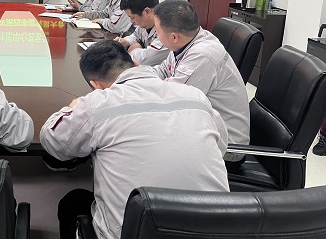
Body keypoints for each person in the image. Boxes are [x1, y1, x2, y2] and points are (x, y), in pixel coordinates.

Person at [40, 41, 229, 239]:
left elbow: (54, 142)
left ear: (96, 85)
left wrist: (73, 108)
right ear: (136, 64)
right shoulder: (195, 95)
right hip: (218, 230)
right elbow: (221, 146)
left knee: (72, 202)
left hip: (138, 232)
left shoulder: (98, 104)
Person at [151, 0, 250, 163]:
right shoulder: (187, 40)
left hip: (226, 147)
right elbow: (162, 71)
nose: (156, 34)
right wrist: (133, 76)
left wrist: (165, 84)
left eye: (157, 30)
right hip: (202, 127)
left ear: (174, 37)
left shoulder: (202, 55)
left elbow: (170, 102)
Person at [114, 0, 168, 66]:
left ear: (147, 11)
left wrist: (134, 49)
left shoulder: (167, 29)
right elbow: (136, 36)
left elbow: (145, 60)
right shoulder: (145, 23)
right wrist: (126, 41)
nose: (131, 21)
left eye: (133, 17)